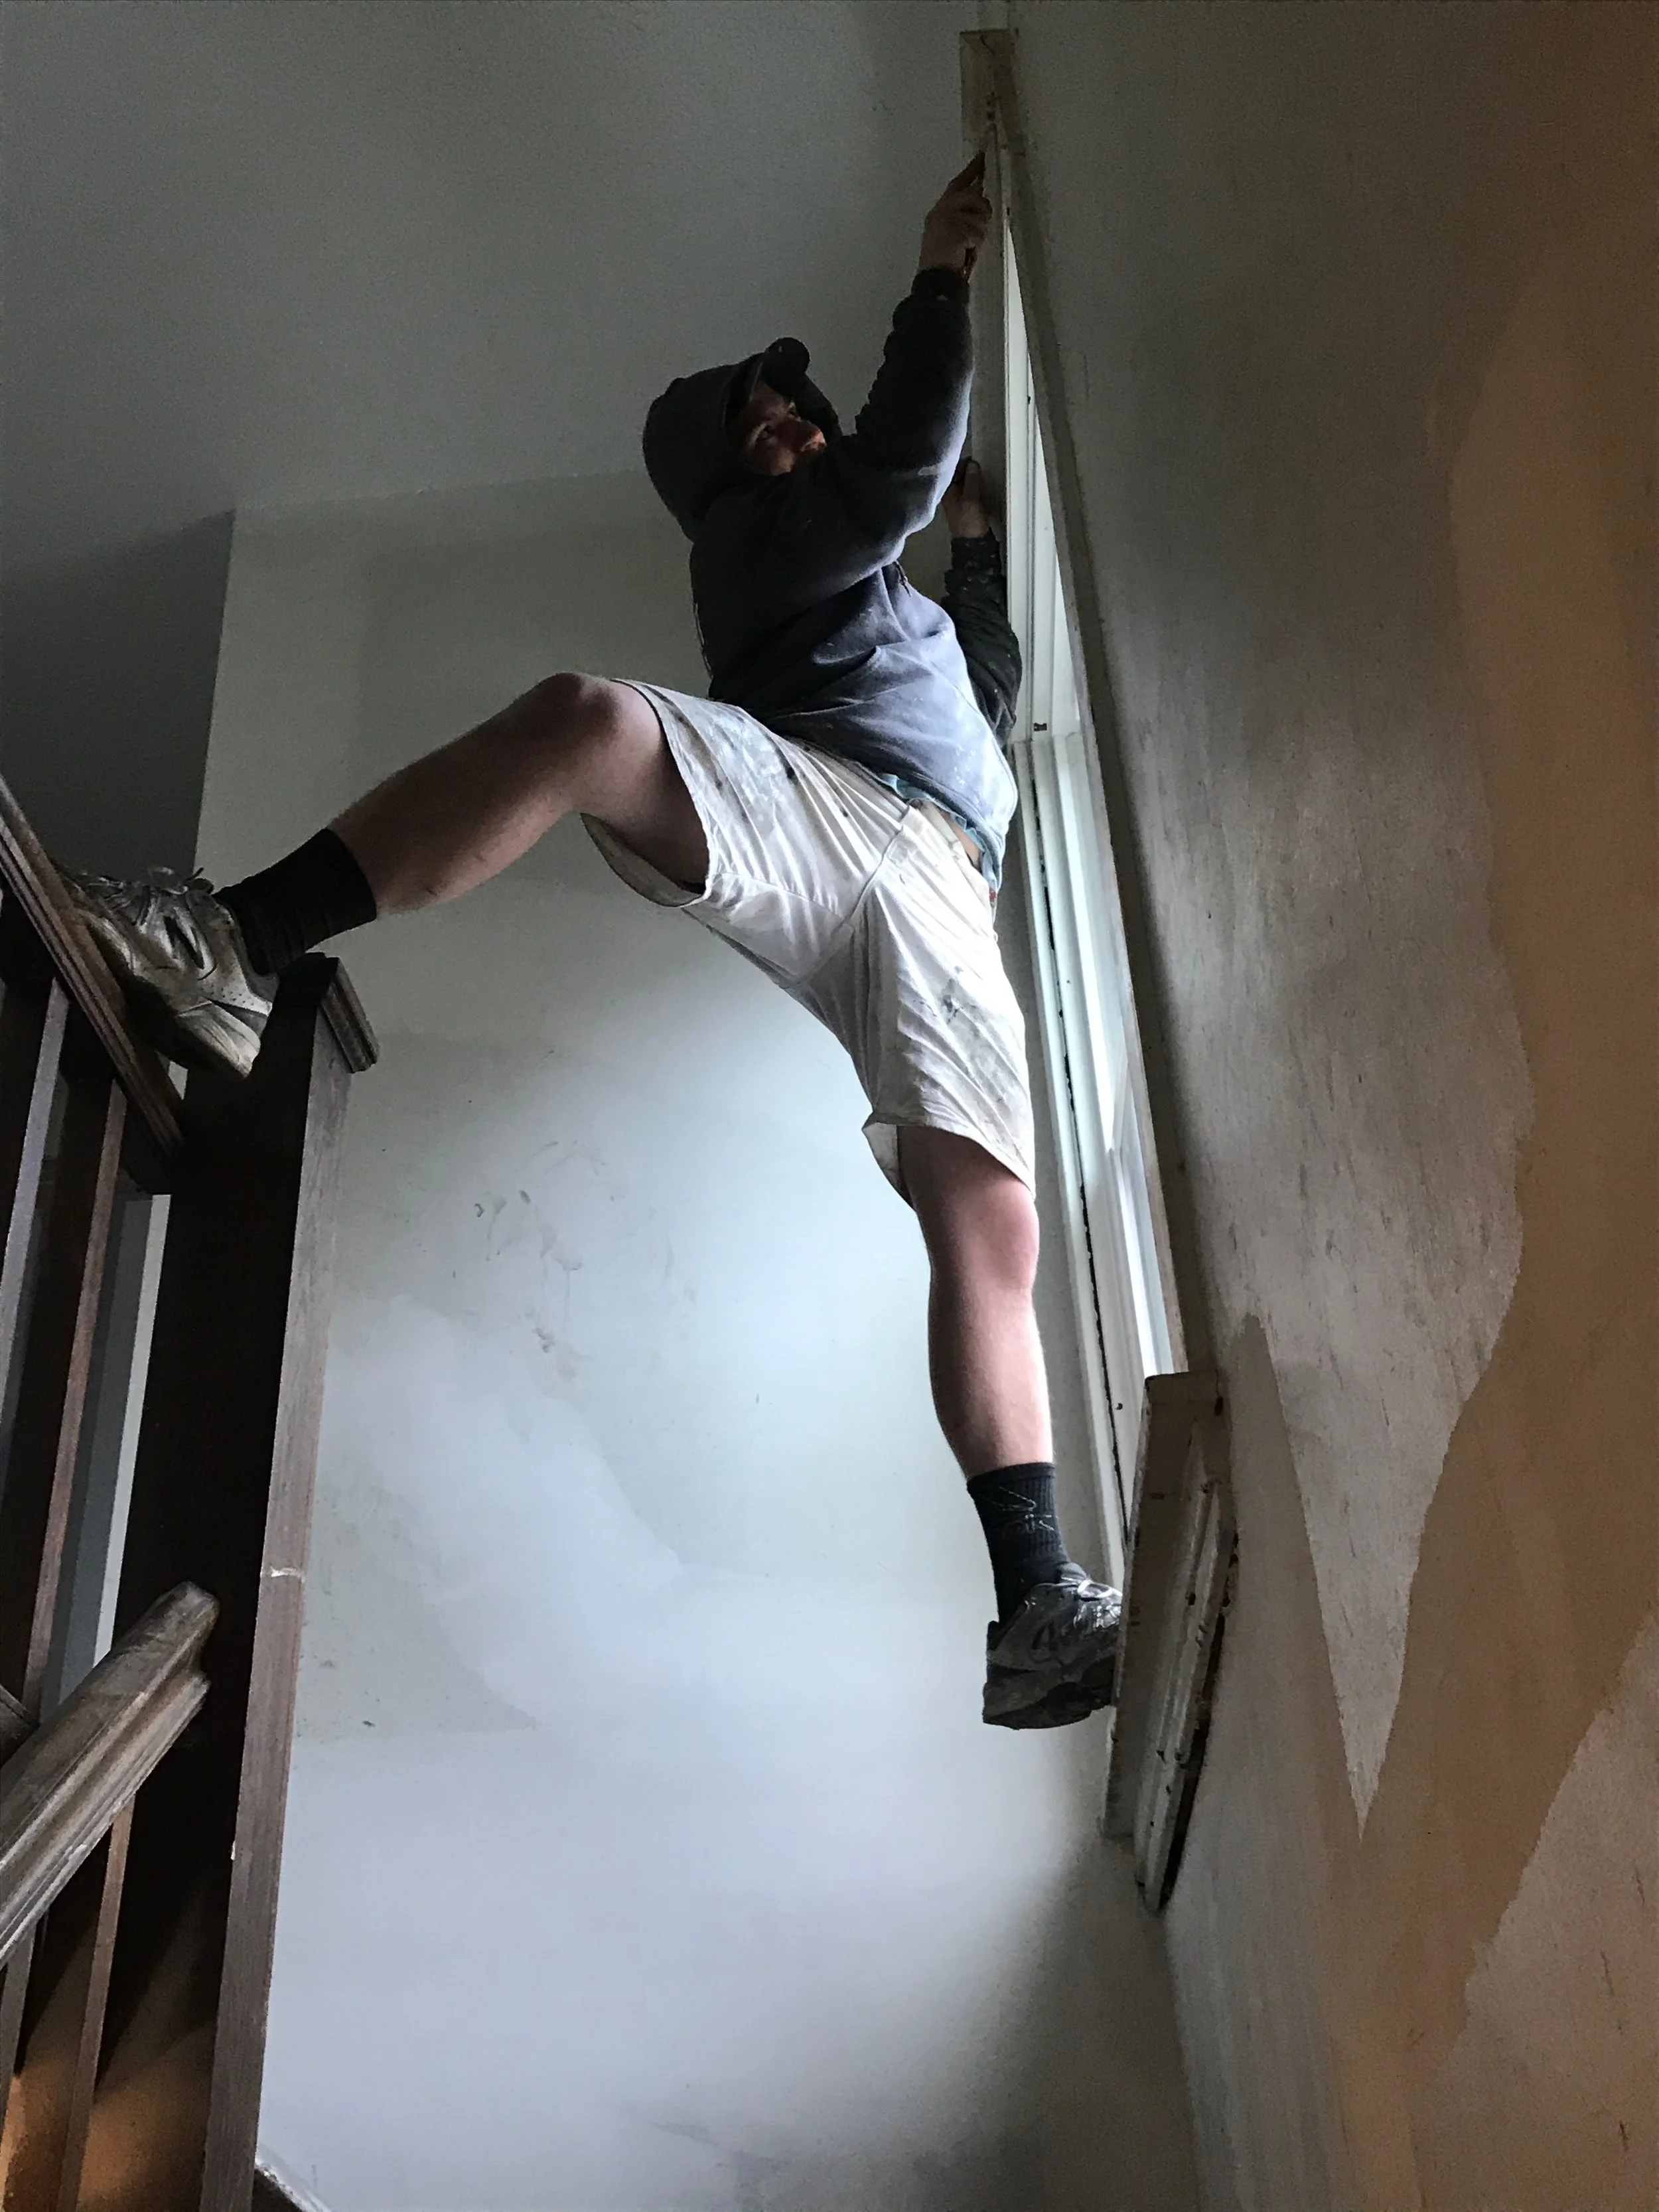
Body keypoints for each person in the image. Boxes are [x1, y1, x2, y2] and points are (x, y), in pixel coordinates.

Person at [68, 157, 1121, 1729]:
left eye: (785, 403)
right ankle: (237, 940)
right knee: (584, 721)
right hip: (824, 806)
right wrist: (938, 273)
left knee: (989, 1225)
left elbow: (973, 639)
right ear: (719, 484)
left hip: (949, 889)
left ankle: (1034, 1599)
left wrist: (978, 552)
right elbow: (901, 468)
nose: (778, 425)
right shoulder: (761, 551)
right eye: (746, 429)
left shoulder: (885, 605)